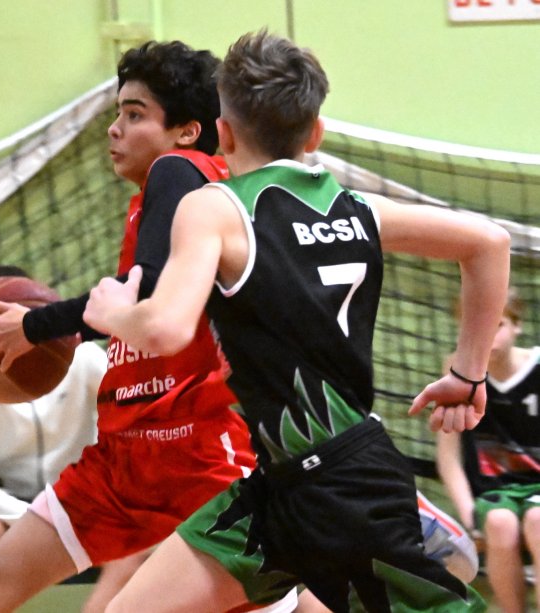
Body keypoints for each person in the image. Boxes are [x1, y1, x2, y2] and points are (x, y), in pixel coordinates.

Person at [83, 30, 510, 612]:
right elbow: (488, 242)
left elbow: (165, 328)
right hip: (275, 489)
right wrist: (468, 374)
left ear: (223, 133)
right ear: (315, 134)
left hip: (342, 488)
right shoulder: (357, 208)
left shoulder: (216, 207)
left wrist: (113, 312)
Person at [0, 41, 297, 613]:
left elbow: (150, 291)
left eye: (134, 115)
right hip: (124, 458)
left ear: (187, 131)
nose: (114, 129)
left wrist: (35, 325)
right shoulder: (165, 201)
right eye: (118, 113)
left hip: (198, 454)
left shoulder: (180, 170)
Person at [0, 265, 144, 613]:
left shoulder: (84, 358)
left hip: (80, 496)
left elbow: (134, 420)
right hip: (7, 505)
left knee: (138, 540)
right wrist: (35, 519)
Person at [437, 287, 540, 613]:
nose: (487, 335)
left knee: (538, 519)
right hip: (494, 493)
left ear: (517, 325)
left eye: (498, 325)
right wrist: (468, 515)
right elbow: (448, 457)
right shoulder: (457, 372)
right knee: (498, 521)